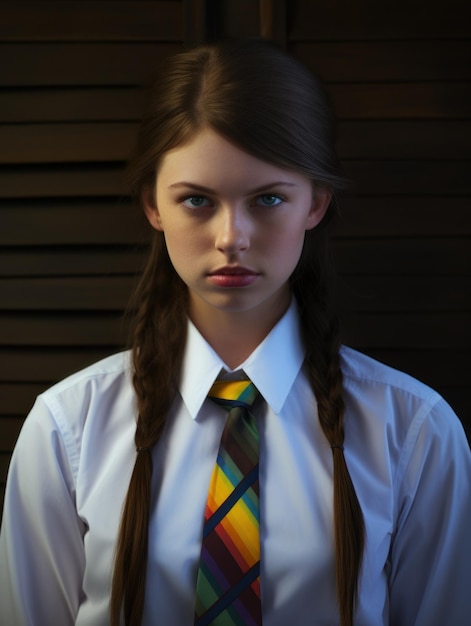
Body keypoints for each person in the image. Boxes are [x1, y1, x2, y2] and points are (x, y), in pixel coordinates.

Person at [0, 39, 470, 626]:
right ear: (153, 205)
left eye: (268, 198)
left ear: (316, 203)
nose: (232, 238)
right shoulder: (68, 427)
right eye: (196, 200)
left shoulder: (414, 432)